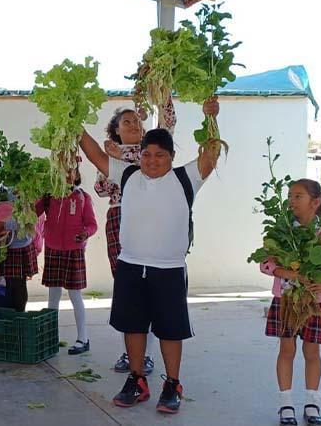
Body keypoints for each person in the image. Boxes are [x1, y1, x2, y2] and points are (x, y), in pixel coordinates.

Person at [78, 98, 220, 414]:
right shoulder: (128, 175)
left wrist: (211, 119)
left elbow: (210, 155)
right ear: (139, 155)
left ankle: (172, 384)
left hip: (168, 269)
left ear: (171, 157)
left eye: (160, 155)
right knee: (134, 326)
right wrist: (74, 126)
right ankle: (137, 379)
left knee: (170, 330)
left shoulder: (185, 178)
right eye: (147, 154)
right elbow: (95, 154)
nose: (152, 161)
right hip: (130, 266)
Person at [94, 105, 175, 374]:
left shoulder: (148, 153)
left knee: (149, 284)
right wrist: (112, 159)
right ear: (116, 130)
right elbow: (102, 189)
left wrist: (160, 95)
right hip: (118, 216)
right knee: (127, 287)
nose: (133, 125)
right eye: (126, 122)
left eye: (137, 120)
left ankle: (147, 355)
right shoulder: (111, 152)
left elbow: (169, 122)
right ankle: (129, 353)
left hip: (148, 215)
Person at [259, 179, 321, 426]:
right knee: (286, 351)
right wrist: (290, 274)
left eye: (298, 196)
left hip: (315, 304)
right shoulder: (282, 229)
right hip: (286, 301)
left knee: (312, 353)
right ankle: (286, 405)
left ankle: (312, 404)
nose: (291, 201)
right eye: (289, 196)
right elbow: (265, 263)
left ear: (315, 202)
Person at [35, 168, 97, 354]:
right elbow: (34, 211)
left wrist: (85, 233)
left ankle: (83, 338)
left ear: (77, 175)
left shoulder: (82, 197)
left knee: (75, 295)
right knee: (53, 295)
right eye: (63, 171)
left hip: (74, 250)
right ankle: (50, 338)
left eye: (71, 172)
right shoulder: (49, 196)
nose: (67, 175)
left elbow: (92, 224)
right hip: (53, 248)